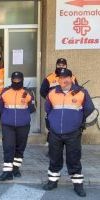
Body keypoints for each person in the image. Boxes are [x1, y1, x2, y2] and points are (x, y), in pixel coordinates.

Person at [42, 68, 94, 197]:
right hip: (55, 133)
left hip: (73, 133)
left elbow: (89, 108)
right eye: (60, 77)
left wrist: (78, 121)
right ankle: (52, 182)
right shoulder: (52, 92)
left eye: (66, 77)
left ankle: (78, 185)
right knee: (54, 158)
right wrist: (52, 123)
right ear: (58, 79)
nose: (63, 80)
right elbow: (48, 109)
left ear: (71, 78)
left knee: (74, 159)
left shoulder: (81, 92)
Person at [0, 72, 36, 181]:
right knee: (8, 147)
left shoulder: (28, 92)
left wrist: (22, 114)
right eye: (15, 80)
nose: (16, 82)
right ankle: (7, 172)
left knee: (20, 147)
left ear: (22, 80)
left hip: (23, 125)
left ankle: (16, 168)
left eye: (19, 80)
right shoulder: (5, 91)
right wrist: (7, 115)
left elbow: (33, 108)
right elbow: (0, 106)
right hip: (8, 125)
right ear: (12, 80)